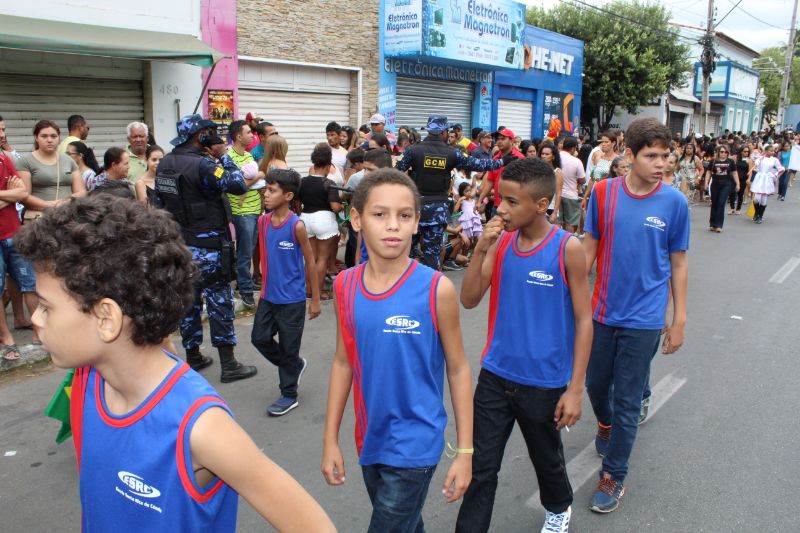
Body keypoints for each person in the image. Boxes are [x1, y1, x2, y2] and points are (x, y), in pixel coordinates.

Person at [15, 195, 335, 532]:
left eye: (46, 307)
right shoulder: (87, 379)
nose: (35, 319)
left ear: (106, 318)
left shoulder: (200, 427)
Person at [321, 169, 473, 532]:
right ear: (356, 219)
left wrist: (465, 452)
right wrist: (330, 440)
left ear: (417, 222)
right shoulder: (345, 285)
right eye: (379, 214)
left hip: (415, 445)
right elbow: (343, 362)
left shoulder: (436, 289)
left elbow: (458, 369)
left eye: (404, 215)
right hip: (370, 437)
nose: (393, 225)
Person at [456, 157, 592, 533]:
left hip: (544, 382)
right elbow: (469, 299)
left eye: (512, 202)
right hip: (496, 374)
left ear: (541, 204)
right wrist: (481, 248)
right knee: (481, 466)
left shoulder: (567, 248)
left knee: (545, 456)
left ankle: (559, 507)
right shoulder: (500, 243)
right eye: (501, 198)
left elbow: (584, 321)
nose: (501, 208)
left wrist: (575, 389)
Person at [583, 117, 689, 514]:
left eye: (666, 155)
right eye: (652, 156)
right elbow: (588, 251)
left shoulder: (674, 203)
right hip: (602, 312)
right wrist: (568, 301)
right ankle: (605, 423)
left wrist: (678, 320)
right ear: (629, 155)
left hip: (645, 318)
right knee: (596, 386)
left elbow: (678, 263)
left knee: (627, 401)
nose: (661, 163)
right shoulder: (604, 193)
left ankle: (613, 475)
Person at [154, 114, 259, 382]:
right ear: (201, 136)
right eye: (211, 133)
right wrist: (224, 157)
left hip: (179, 246)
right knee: (219, 301)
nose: (216, 137)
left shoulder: (165, 163)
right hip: (208, 247)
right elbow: (237, 185)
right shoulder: (203, 164)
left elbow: (159, 204)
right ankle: (229, 365)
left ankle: (194, 357)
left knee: (188, 302)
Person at [251, 169, 320, 416]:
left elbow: (310, 262)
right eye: (266, 189)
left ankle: (289, 394)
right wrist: (261, 289)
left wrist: (314, 299)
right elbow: (264, 256)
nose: (266, 194)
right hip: (269, 297)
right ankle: (294, 365)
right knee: (259, 338)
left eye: (272, 190)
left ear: (288, 195)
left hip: (292, 300)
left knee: (289, 348)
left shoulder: (297, 226)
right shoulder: (262, 222)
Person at [396, 116, 502, 270]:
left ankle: (404, 280)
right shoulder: (452, 153)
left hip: (414, 209)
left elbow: (397, 172)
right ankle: (432, 283)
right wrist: (502, 162)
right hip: (437, 211)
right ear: (443, 132)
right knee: (433, 254)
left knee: (406, 252)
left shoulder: (413, 150)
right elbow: (478, 164)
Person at [17, 120, 85, 223]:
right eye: (44, 136)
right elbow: (24, 196)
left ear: (59, 138)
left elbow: (81, 192)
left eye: (53, 136)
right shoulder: (25, 161)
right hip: (39, 219)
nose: (49, 140)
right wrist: (50, 205)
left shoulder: (69, 160)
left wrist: (64, 202)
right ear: (36, 137)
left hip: (68, 217)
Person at [225, 120, 262, 308]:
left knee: (250, 248)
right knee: (245, 252)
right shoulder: (228, 158)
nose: (252, 136)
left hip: (255, 208)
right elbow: (237, 186)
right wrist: (259, 176)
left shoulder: (248, 155)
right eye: (248, 133)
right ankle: (246, 290)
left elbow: (251, 182)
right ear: (238, 137)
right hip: (242, 211)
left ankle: (243, 282)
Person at [299, 143, 343, 300]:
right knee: (322, 259)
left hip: (305, 219)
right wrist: (343, 204)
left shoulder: (302, 181)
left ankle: (309, 290)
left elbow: (297, 203)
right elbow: (335, 207)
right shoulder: (329, 184)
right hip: (324, 220)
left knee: (310, 258)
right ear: (328, 165)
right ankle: (319, 293)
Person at [0, 152, 31, 360]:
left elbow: (22, 192)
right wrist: (8, 195)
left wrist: (14, 194)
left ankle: (39, 334)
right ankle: (6, 338)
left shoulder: (4, 160)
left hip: (13, 233)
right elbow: (16, 194)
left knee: (30, 283)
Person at [477, 128, 522, 222]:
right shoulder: (495, 159)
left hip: (513, 207)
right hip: (497, 205)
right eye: (498, 139)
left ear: (512, 141)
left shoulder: (519, 158)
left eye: (503, 139)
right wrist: (480, 200)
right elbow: (490, 181)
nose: (499, 141)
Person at [705, 145, 738, 233]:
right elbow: (708, 172)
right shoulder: (713, 161)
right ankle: (712, 224)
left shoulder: (730, 161)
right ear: (718, 152)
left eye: (726, 152)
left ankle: (719, 225)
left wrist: (737, 184)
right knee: (714, 203)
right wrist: (706, 183)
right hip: (715, 184)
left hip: (726, 184)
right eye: (722, 152)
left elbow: (734, 173)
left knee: (721, 203)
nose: (724, 154)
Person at [748, 143, 785, 224]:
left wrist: (774, 175)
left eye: (773, 151)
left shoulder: (774, 160)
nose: (772, 152)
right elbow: (756, 164)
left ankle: (760, 216)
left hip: (767, 179)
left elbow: (780, 168)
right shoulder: (760, 158)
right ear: (766, 151)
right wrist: (759, 160)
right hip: (759, 178)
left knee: (764, 198)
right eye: (771, 151)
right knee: (756, 198)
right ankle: (756, 213)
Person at [557, 137, 585, 233]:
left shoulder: (555, 157)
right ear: (573, 148)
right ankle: (567, 241)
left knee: (557, 221)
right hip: (571, 195)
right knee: (570, 223)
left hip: (556, 194)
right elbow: (582, 180)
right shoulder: (576, 161)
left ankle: (556, 240)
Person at [539, 142, 564, 225]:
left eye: (547, 154)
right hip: (538, 206)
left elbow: (558, 193)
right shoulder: (538, 170)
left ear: (553, 156)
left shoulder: (557, 172)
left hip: (551, 207)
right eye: (542, 154)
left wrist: (555, 212)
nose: (544, 156)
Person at [454, 182, 481, 248]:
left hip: (474, 221)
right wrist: (459, 200)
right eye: (466, 191)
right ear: (461, 192)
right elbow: (455, 210)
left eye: (470, 190)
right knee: (467, 241)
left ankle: (474, 251)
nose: (469, 192)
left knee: (476, 238)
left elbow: (476, 210)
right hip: (466, 223)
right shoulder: (462, 201)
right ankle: (465, 253)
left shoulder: (473, 200)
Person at [729, 146, 752, 215]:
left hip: (743, 178)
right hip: (734, 178)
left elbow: (750, 171)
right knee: (732, 193)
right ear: (741, 152)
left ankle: (738, 209)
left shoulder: (749, 160)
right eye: (745, 151)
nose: (746, 153)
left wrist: (749, 179)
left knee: (740, 193)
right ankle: (732, 208)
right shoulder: (735, 158)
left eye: (747, 151)